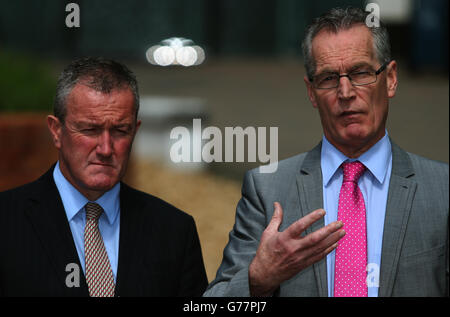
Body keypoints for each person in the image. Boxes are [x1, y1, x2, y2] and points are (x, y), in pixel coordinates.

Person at [204, 7, 448, 297]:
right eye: (329, 78)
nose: (345, 92)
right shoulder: (267, 189)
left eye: (360, 73)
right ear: (311, 92)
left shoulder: (442, 190)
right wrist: (258, 279)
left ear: (391, 78)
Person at [0, 57, 208, 297]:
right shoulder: (7, 222)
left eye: (120, 131)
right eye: (90, 129)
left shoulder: (173, 231)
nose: (106, 148)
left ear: (135, 132)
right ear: (56, 131)